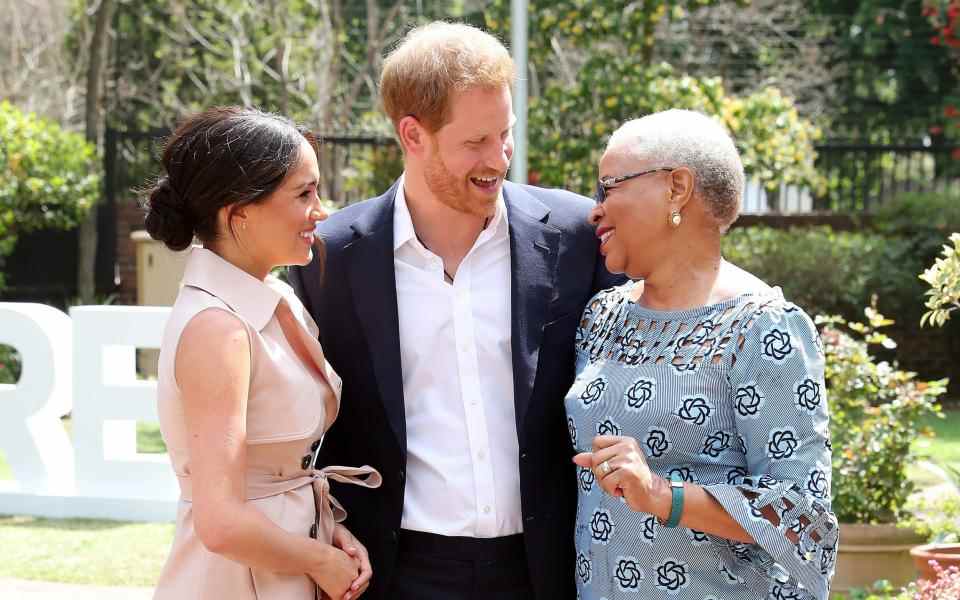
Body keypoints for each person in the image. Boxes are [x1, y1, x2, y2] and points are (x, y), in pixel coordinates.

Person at [289, 21, 621, 600]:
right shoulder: (330, 256)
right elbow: (304, 425)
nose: (500, 158)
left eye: (506, 134)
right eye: (476, 142)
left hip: (546, 567)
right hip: (395, 571)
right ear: (413, 135)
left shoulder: (575, 236)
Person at [566, 109, 839, 599]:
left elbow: (802, 515)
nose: (595, 208)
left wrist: (661, 495)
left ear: (677, 188)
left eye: (609, 186)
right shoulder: (602, 317)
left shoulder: (760, 327)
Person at [146, 106, 381, 600]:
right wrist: (320, 560)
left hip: (280, 571)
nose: (322, 210)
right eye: (304, 193)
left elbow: (274, 479)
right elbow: (221, 521)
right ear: (240, 213)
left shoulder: (276, 299)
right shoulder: (217, 328)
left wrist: (329, 533)